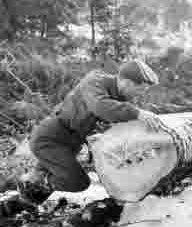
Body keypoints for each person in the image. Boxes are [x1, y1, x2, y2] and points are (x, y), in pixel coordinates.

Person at [18, 59, 163, 205]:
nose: (140, 94)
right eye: (140, 89)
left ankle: (22, 202)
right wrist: (138, 113)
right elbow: (100, 107)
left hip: (69, 143)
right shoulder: (95, 81)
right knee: (76, 181)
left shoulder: (116, 99)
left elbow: (112, 120)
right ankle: (29, 181)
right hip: (51, 138)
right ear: (127, 82)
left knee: (37, 194)